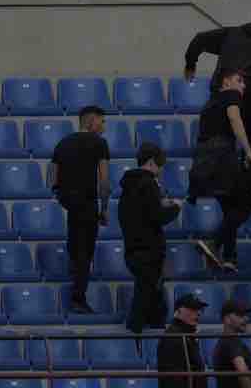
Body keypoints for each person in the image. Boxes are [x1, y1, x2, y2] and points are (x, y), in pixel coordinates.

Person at [183, 2, 251, 153]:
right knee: (249, 140)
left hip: (221, 95)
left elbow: (199, 39)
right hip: (249, 97)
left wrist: (190, 64)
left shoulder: (231, 33)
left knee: (216, 140)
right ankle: (249, 169)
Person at [189, 68, 251, 272]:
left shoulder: (210, 104)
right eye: (239, 80)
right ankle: (214, 243)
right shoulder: (230, 95)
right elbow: (235, 120)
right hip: (223, 157)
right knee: (244, 207)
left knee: (230, 209)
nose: (243, 86)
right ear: (226, 82)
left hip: (205, 162)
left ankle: (229, 258)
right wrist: (248, 151)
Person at [48, 104, 111, 314]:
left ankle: (75, 278)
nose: (103, 126)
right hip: (89, 204)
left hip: (71, 206)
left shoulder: (62, 143)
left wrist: (63, 198)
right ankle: (78, 298)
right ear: (91, 121)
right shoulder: (99, 143)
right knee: (85, 253)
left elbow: (52, 178)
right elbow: (104, 181)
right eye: (102, 122)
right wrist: (104, 208)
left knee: (75, 247)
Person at [119, 142, 183, 334]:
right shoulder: (149, 183)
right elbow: (158, 217)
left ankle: (155, 331)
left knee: (152, 296)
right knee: (144, 298)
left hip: (132, 247)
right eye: (160, 164)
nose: (162, 169)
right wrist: (175, 208)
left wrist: (160, 203)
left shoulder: (129, 184)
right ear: (150, 163)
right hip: (148, 250)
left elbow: (138, 212)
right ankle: (135, 340)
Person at [156, 293, 207, 388]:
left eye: (199, 309)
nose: (198, 313)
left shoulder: (186, 334)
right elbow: (173, 380)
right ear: (178, 311)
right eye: (193, 309)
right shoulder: (174, 336)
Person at [211, 299, 251, 388]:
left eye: (246, 315)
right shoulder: (230, 342)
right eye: (241, 315)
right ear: (227, 319)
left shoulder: (227, 341)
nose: (246, 318)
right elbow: (242, 371)